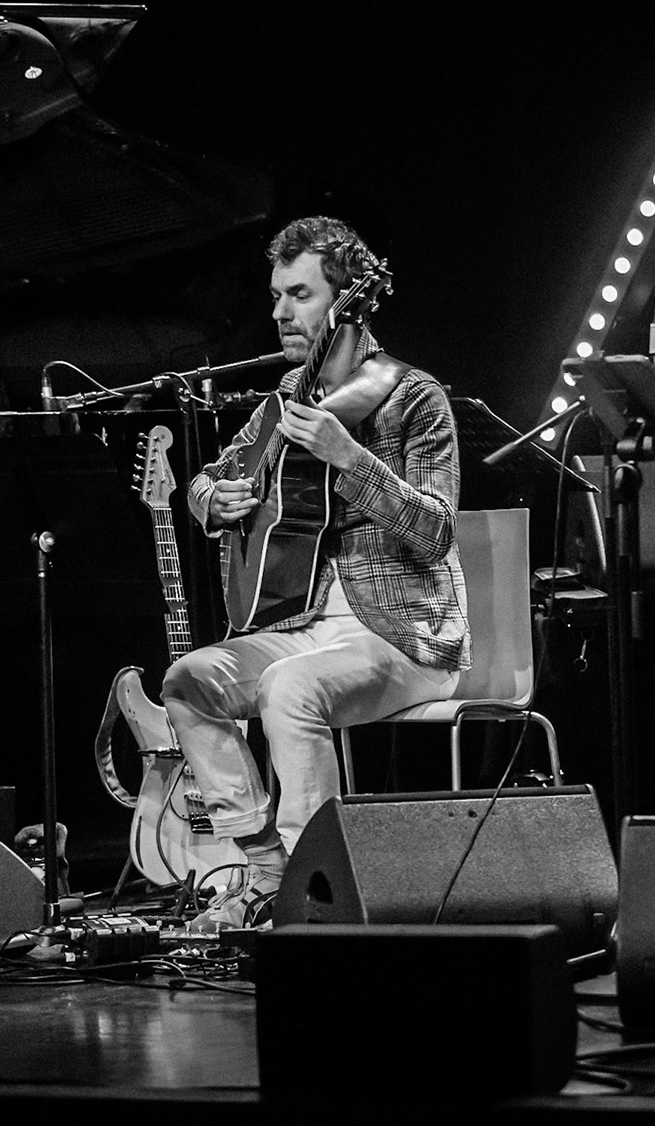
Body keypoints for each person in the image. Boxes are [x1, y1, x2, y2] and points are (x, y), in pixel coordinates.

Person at [160, 215, 469, 929]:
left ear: (347, 304)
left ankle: (313, 893)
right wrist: (216, 499)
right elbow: (205, 479)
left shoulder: (414, 398)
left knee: (289, 687)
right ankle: (265, 866)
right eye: (275, 295)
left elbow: (436, 530)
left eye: (298, 294)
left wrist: (348, 459)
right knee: (186, 682)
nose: (278, 312)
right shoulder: (282, 402)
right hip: (299, 628)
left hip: (402, 635)